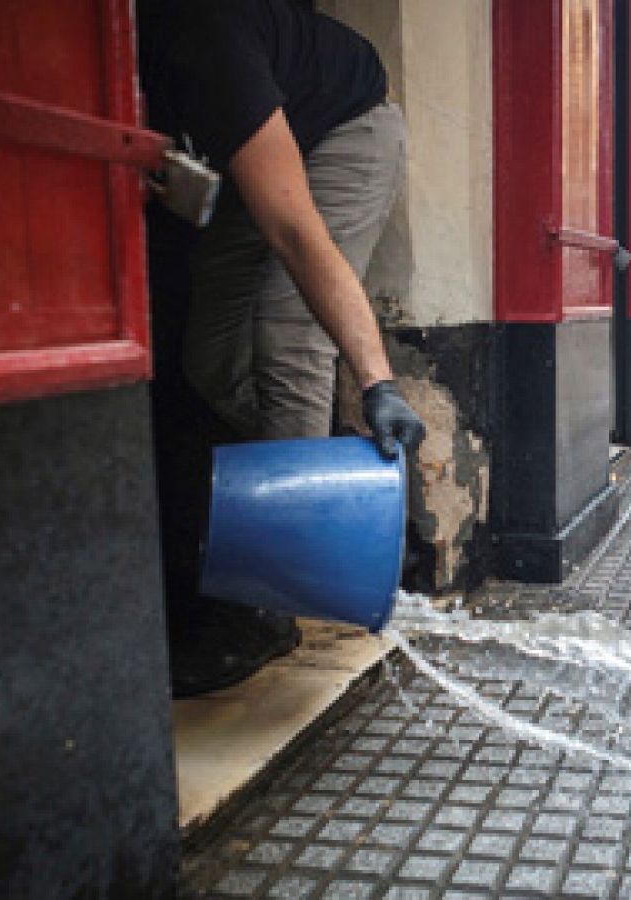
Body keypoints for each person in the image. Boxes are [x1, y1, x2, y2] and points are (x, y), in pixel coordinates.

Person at [140, 0, 427, 696]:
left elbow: (299, 236)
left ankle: (270, 610)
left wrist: (377, 383)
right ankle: (338, 485)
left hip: (344, 130)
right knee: (209, 362)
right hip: (256, 163)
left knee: (285, 332)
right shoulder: (126, 50)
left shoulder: (199, 37)